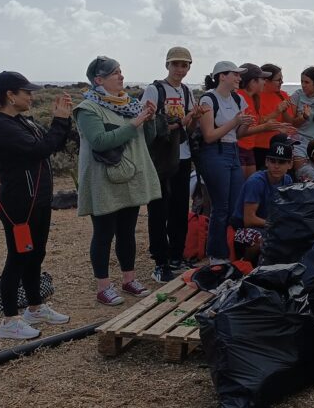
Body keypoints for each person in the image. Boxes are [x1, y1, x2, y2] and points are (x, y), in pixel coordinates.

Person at [0, 72, 73, 339]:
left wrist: (64, 120)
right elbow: (39, 149)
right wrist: (59, 121)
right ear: (10, 95)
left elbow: (53, 144)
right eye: (26, 92)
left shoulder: (21, 121)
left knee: (36, 254)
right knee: (18, 258)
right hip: (19, 205)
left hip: (38, 201)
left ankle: (35, 307)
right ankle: (8, 321)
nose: (31, 96)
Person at [75, 56, 162, 305]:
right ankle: (103, 286)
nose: (121, 76)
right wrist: (135, 123)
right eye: (115, 73)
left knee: (127, 231)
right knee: (103, 233)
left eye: (121, 72)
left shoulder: (130, 104)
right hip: (103, 181)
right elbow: (100, 142)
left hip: (130, 178)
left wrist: (150, 119)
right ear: (98, 80)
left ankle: (129, 279)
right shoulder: (87, 109)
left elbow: (147, 139)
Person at [142, 47, 203, 283]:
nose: (180, 69)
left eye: (184, 65)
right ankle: (160, 260)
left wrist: (193, 119)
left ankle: (176, 255)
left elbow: (188, 130)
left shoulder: (187, 91)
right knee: (159, 209)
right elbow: (148, 127)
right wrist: (181, 121)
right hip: (160, 157)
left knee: (179, 208)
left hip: (182, 155)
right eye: (176, 64)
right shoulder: (154, 89)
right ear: (167, 65)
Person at [195, 61, 256, 273]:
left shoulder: (237, 99)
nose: (239, 78)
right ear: (222, 76)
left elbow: (237, 135)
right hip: (214, 153)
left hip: (232, 151)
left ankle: (229, 251)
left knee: (233, 205)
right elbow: (209, 136)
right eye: (235, 75)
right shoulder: (208, 99)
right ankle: (216, 255)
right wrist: (235, 121)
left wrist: (245, 123)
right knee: (220, 207)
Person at [232, 136, 294, 265]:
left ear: (290, 164)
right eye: (273, 161)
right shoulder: (256, 181)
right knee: (260, 239)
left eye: (281, 162)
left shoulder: (287, 180)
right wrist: (276, 224)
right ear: (266, 162)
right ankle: (244, 266)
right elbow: (249, 220)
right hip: (241, 230)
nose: (276, 166)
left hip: (268, 226)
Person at [252, 64, 296, 167]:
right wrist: (276, 112)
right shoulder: (256, 96)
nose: (281, 82)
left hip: (281, 145)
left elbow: (290, 122)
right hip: (260, 146)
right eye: (278, 80)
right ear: (266, 81)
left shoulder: (283, 95)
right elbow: (256, 123)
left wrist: (283, 111)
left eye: (282, 80)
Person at [235, 63, 270, 179]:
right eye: (262, 79)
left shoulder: (253, 98)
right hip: (238, 148)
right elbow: (239, 132)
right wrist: (265, 127)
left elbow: (255, 123)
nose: (264, 82)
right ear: (252, 81)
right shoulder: (239, 97)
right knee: (240, 187)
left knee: (249, 186)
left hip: (249, 148)